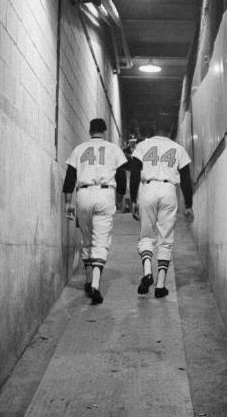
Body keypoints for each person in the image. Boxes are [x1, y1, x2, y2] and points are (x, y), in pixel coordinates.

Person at [62, 118, 128, 304]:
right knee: (101, 241)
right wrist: (120, 198)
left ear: (90, 131)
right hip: (105, 194)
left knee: (87, 239)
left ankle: (88, 278)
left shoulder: (79, 149)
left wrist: (68, 202)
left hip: (83, 194)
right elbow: (122, 177)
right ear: (105, 131)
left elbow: (69, 177)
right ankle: (96, 285)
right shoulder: (113, 149)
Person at [129, 125, 193, 298]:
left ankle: (148, 271)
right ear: (171, 131)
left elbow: (135, 174)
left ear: (153, 130)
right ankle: (160, 285)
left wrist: (133, 199)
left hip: (147, 189)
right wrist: (188, 205)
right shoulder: (178, 149)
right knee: (165, 239)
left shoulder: (142, 146)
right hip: (169, 190)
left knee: (146, 235)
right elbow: (186, 179)